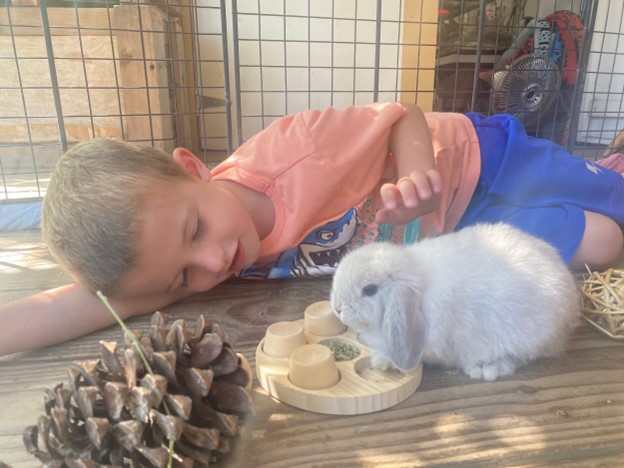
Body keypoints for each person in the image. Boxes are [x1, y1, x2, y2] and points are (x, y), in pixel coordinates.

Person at [1, 102, 623, 356]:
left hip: (480, 162)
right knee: (604, 244)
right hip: (463, 238)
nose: (215, 262)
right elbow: (87, 305)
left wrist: (415, 177)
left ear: (193, 168)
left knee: (613, 205)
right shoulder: (186, 260)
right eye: (184, 275)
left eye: (197, 229)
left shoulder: (296, 150)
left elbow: (403, 116)